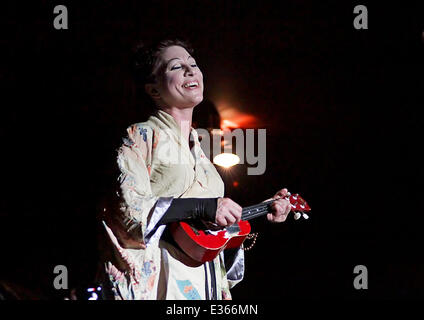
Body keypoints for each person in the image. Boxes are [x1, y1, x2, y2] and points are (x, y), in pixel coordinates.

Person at [97, 38, 292, 300]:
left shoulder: (201, 154)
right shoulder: (140, 136)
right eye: (176, 67)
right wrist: (203, 206)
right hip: (163, 282)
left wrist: (263, 210)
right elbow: (128, 211)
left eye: (194, 64)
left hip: (202, 282)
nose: (190, 70)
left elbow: (208, 235)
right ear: (153, 90)